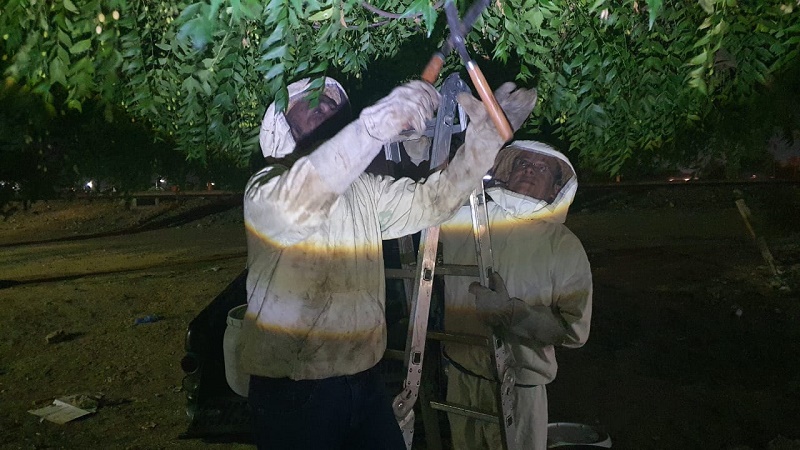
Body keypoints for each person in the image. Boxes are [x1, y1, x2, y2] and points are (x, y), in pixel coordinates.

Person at [239, 76, 538, 450]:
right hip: (294, 391)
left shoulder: (363, 190)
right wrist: (372, 127)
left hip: (364, 380)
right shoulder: (265, 189)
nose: (326, 105)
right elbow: (305, 194)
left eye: (332, 102)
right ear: (281, 125)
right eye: (312, 102)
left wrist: (485, 142)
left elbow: (434, 202)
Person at [439, 141, 593, 450]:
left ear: (555, 188)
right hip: (460, 378)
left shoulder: (563, 245)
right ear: (507, 173)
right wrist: (420, 153)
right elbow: (425, 206)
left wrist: (514, 314)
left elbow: (574, 331)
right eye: (523, 163)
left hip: (519, 388)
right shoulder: (466, 217)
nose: (529, 170)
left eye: (541, 168)